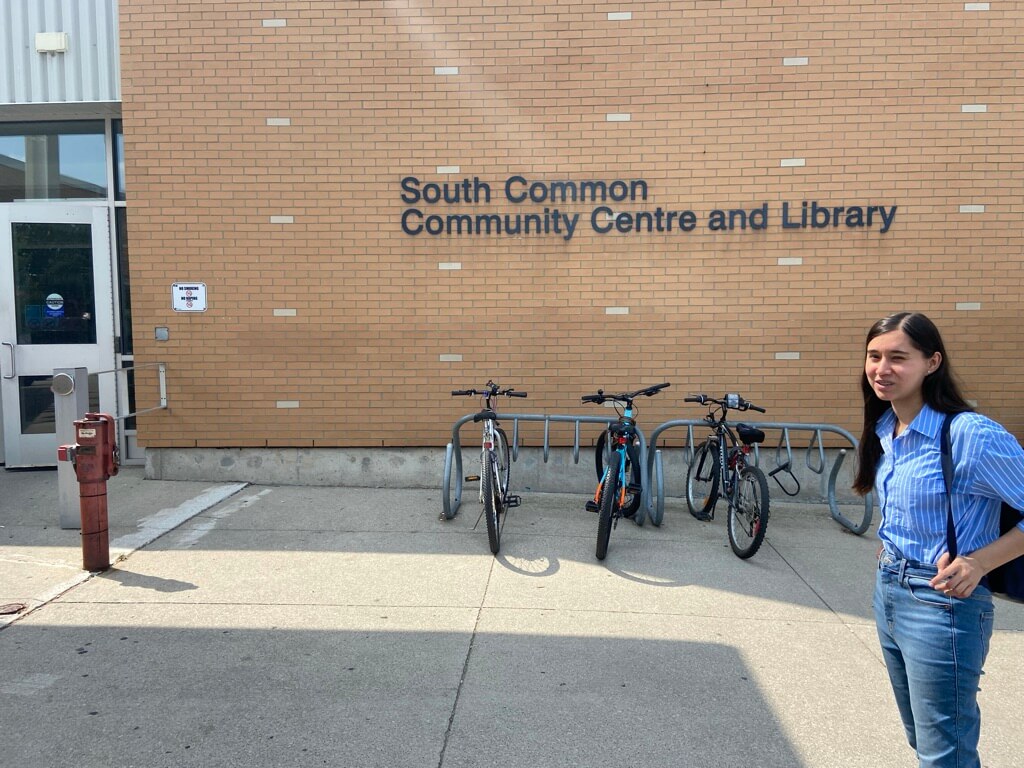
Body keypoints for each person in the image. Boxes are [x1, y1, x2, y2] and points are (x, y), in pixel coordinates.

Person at [853, 311, 1024, 768]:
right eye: (874, 356)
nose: (882, 369)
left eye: (898, 357)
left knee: (943, 752)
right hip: (889, 591)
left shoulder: (969, 434)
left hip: (942, 605)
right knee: (923, 737)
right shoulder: (888, 429)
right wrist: (893, 542)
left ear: (932, 362)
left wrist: (981, 562)